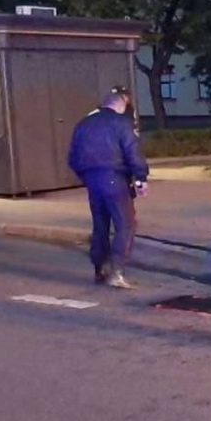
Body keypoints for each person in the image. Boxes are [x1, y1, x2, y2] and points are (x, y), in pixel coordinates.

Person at [67, 92, 149, 289]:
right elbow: (132, 152)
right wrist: (141, 178)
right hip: (115, 179)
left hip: (93, 180)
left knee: (100, 225)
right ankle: (116, 271)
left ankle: (99, 268)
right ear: (121, 106)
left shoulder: (84, 124)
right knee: (125, 224)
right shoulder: (121, 124)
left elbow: (72, 157)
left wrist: (86, 176)